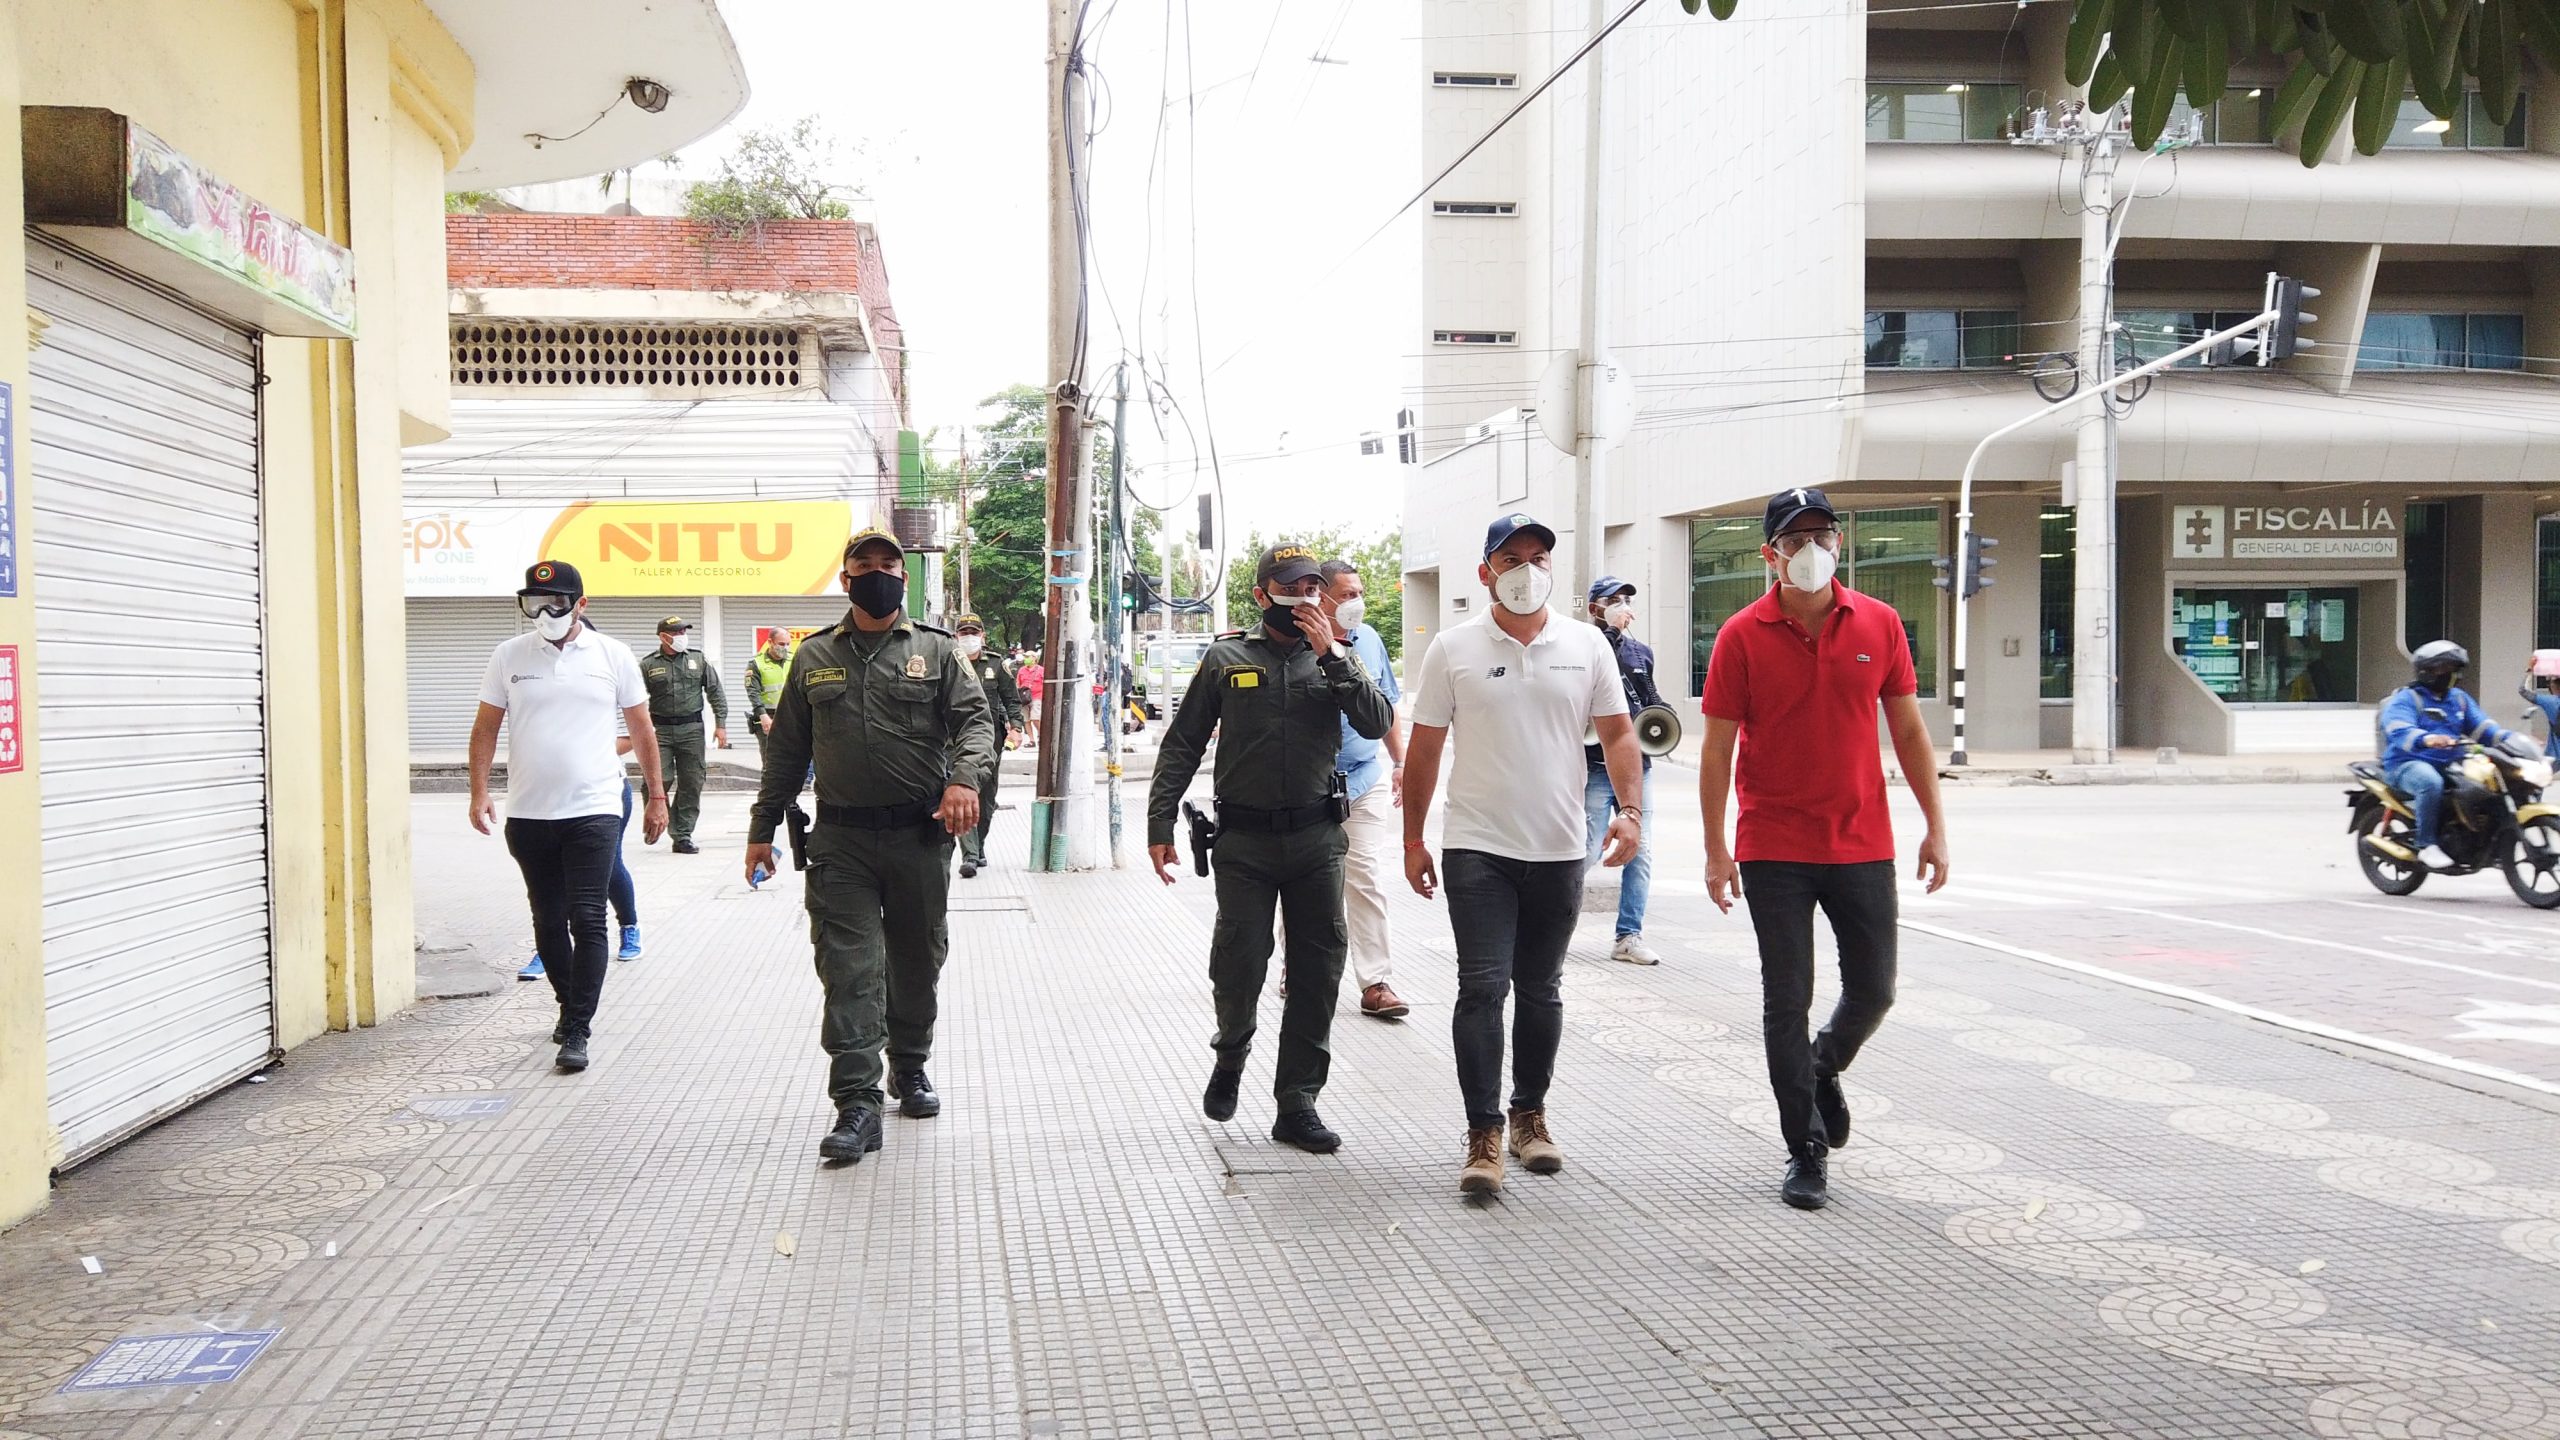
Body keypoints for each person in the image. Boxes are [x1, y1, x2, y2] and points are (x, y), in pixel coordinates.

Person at [1699, 486, 1951, 1212]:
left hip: (1863, 839)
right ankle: (1804, 1147)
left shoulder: (1879, 623)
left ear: (1840, 543)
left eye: (1823, 535)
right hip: (1774, 843)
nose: (1811, 549)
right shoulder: (1742, 635)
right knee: (1788, 998)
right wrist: (1717, 849)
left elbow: (1908, 731)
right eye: (1795, 538)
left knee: (1875, 990)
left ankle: (1823, 1064)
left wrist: (1935, 823)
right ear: (1768, 553)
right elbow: (1716, 752)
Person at [1402, 514, 1645, 1196]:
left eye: (1539, 557)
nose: (1527, 570)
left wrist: (1630, 813)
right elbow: (1424, 747)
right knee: (1482, 987)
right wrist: (1413, 839)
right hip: (1477, 845)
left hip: (1561, 847)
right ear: (1485, 572)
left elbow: (1620, 735)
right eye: (1512, 557)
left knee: (1541, 989)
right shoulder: (1452, 648)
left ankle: (1528, 1118)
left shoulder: (1587, 643)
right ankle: (1482, 1133)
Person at [745, 527, 995, 1163]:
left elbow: (974, 722)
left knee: (917, 959)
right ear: (846, 576)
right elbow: (787, 751)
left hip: (919, 837)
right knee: (849, 969)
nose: (879, 571)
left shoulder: (939, 652)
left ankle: (909, 1066)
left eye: (891, 563)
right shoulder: (811, 657)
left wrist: (963, 779)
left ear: (904, 578)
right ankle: (857, 1103)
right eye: (866, 563)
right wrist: (762, 828)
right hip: (842, 840)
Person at [1148, 543, 1392, 1154]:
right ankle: (1231, 1053)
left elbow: (1376, 721)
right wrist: (1159, 826)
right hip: (1245, 843)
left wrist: (1331, 654)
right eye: (1291, 586)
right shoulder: (1227, 657)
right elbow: (1183, 744)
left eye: (1314, 586)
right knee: (1239, 962)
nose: (1305, 596)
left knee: (1318, 970)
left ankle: (1297, 1102)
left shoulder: (1339, 656)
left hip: (1317, 838)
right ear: (1263, 595)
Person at [469, 561, 668, 1072]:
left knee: (587, 916)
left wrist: (656, 795)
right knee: (547, 918)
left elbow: (643, 731)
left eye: (556, 601)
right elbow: (486, 728)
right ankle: (566, 1004)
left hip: (595, 808)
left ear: (581, 604)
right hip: (530, 812)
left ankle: (578, 1025)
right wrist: (478, 791)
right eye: (534, 602)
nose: (544, 611)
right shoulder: (508, 656)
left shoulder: (614, 655)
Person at [1320, 558, 1411, 1020]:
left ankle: (1376, 982)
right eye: (1346, 594)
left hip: (1363, 777)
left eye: (1359, 593)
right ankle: (1299, 971)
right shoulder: (1296, 642)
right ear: (1321, 596)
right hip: (1308, 782)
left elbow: (1386, 706)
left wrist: (1400, 762)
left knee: (1366, 875)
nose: (1355, 601)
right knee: (1310, 881)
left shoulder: (1369, 640)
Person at [2378, 640, 2523, 872]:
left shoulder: (2459, 699)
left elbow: (2483, 729)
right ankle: (2427, 845)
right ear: (2426, 670)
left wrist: (2512, 740)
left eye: (2453, 669)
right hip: (2407, 763)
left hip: (2451, 761)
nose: (2450, 674)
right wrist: (2425, 738)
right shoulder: (2407, 699)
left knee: (2490, 781)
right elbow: (2398, 728)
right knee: (2430, 782)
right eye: (2443, 668)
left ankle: (2484, 837)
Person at [1584, 577, 1666, 965]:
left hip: (1638, 768)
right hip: (1596, 765)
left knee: (1641, 850)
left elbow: (1648, 696)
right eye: (1612, 600)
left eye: (1626, 599)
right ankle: (1545, 918)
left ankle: (1628, 935)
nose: (1622, 605)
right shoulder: (1586, 646)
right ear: (1594, 609)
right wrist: (1613, 634)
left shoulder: (1641, 652)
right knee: (1585, 847)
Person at [639, 616, 729, 854]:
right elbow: (634, 700)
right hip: (661, 731)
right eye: (676, 633)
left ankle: (682, 835)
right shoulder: (648, 665)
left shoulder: (697, 660)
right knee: (658, 780)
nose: (681, 636)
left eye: (683, 632)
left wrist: (720, 725)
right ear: (663, 636)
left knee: (692, 781)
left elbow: (715, 692)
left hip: (692, 730)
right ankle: (656, 821)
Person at [953, 613, 1025, 878]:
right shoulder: (950, 662)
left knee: (986, 797)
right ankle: (969, 854)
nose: (969, 637)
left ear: (982, 636)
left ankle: (978, 846)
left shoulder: (996, 664)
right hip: (955, 739)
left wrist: (1016, 728)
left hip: (990, 740)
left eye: (974, 632)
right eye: (964, 633)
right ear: (956, 636)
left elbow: (1011, 700)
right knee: (963, 788)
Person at [2519, 656, 2560, 761]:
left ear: (2553, 686)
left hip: (2555, 757)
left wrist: (2530, 669)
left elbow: (2523, 690)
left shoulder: (2551, 702)